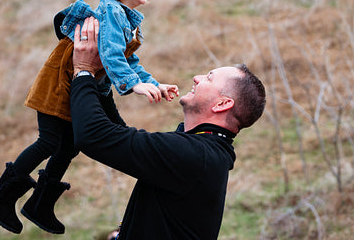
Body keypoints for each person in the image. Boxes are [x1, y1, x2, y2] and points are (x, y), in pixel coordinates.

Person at [0, 0, 179, 234]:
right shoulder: (111, 12)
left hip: (75, 88)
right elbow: (110, 54)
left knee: (69, 145)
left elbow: (129, 61)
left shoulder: (123, 17)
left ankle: (40, 204)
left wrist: (153, 83)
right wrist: (133, 85)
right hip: (57, 85)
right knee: (49, 141)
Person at [70, 18, 266, 239]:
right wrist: (101, 80)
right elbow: (118, 137)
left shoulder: (196, 156)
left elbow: (94, 136)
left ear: (222, 104)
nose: (197, 78)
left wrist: (84, 71)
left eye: (209, 77)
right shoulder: (203, 153)